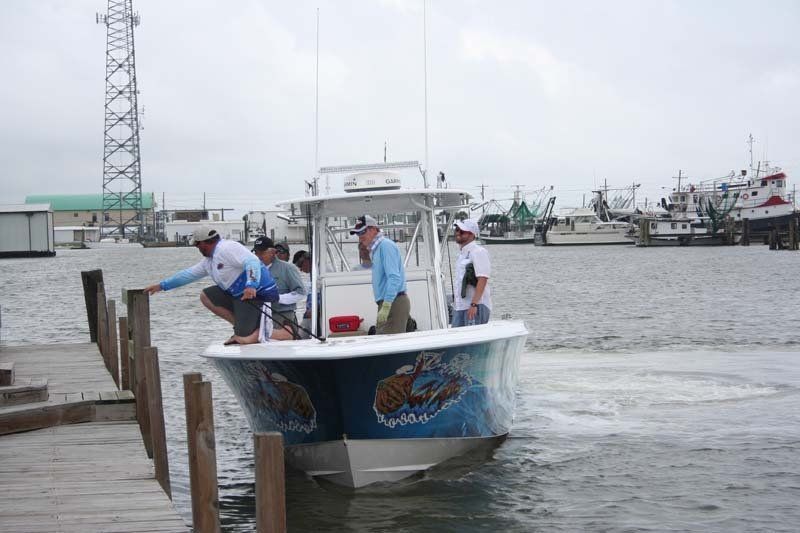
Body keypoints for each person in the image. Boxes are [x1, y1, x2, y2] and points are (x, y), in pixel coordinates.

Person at [143, 225, 279, 345]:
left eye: (196, 245)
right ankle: (240, 327)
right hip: (240, 296)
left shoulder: (227, 248)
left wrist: (251, 285)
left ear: (203, 243)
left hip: (258, 294)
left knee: (244, 339)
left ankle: (264, 333)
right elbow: (188, 275)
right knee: (206, 295)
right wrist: (162, 286)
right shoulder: (209, 261)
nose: (196, 248)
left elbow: (252, 261)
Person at [350, 214, 409, 334]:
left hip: (393, 302)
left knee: (390, 347)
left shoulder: (385, 246)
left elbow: (394, 278)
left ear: (373, 229)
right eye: (358, 233)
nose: (360, 237)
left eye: (362, 232)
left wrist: (387, 305)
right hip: (389, 302)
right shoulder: (377, 249)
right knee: (382, 342)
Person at [252, 236, 306, 340]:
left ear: (273, 252)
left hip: (283, 317)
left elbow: (301, 292)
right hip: (260, 318)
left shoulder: (287, 268)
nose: (258, 256)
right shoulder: (252, 269)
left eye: (262, 252)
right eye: (256, 252)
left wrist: (277, 298)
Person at [451, 218, 492, 327]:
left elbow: (482, 279)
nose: (458, 233)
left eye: (462, 231)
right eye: (457, 230)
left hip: (475, 307)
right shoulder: (462, 254)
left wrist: (474, 305)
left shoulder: (478, 252)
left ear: (472, 234)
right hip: (460, 307)